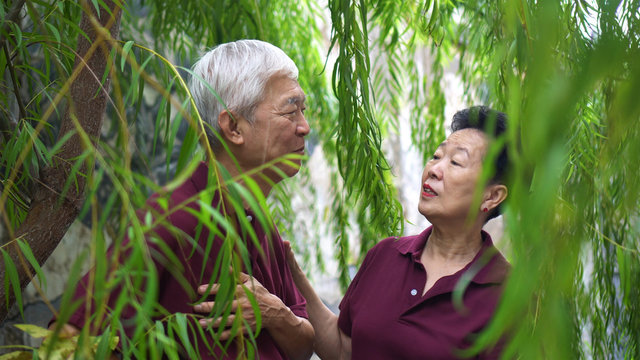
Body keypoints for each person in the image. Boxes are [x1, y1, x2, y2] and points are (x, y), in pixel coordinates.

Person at [49, 39, 314, 360]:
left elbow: (302, 346)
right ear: (233, 126)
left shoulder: (256, 218)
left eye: (303, 109)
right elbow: (66, 338)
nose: (305, 127)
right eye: (290, 110)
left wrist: (275, 314)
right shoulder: (175, 217)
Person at [285, 106, 511, 359]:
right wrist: (289, 267)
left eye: (456, 162)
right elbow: (342, 350)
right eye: (436, 156)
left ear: (492, 196)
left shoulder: (507, 295)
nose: (434, 170)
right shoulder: (385, 255)